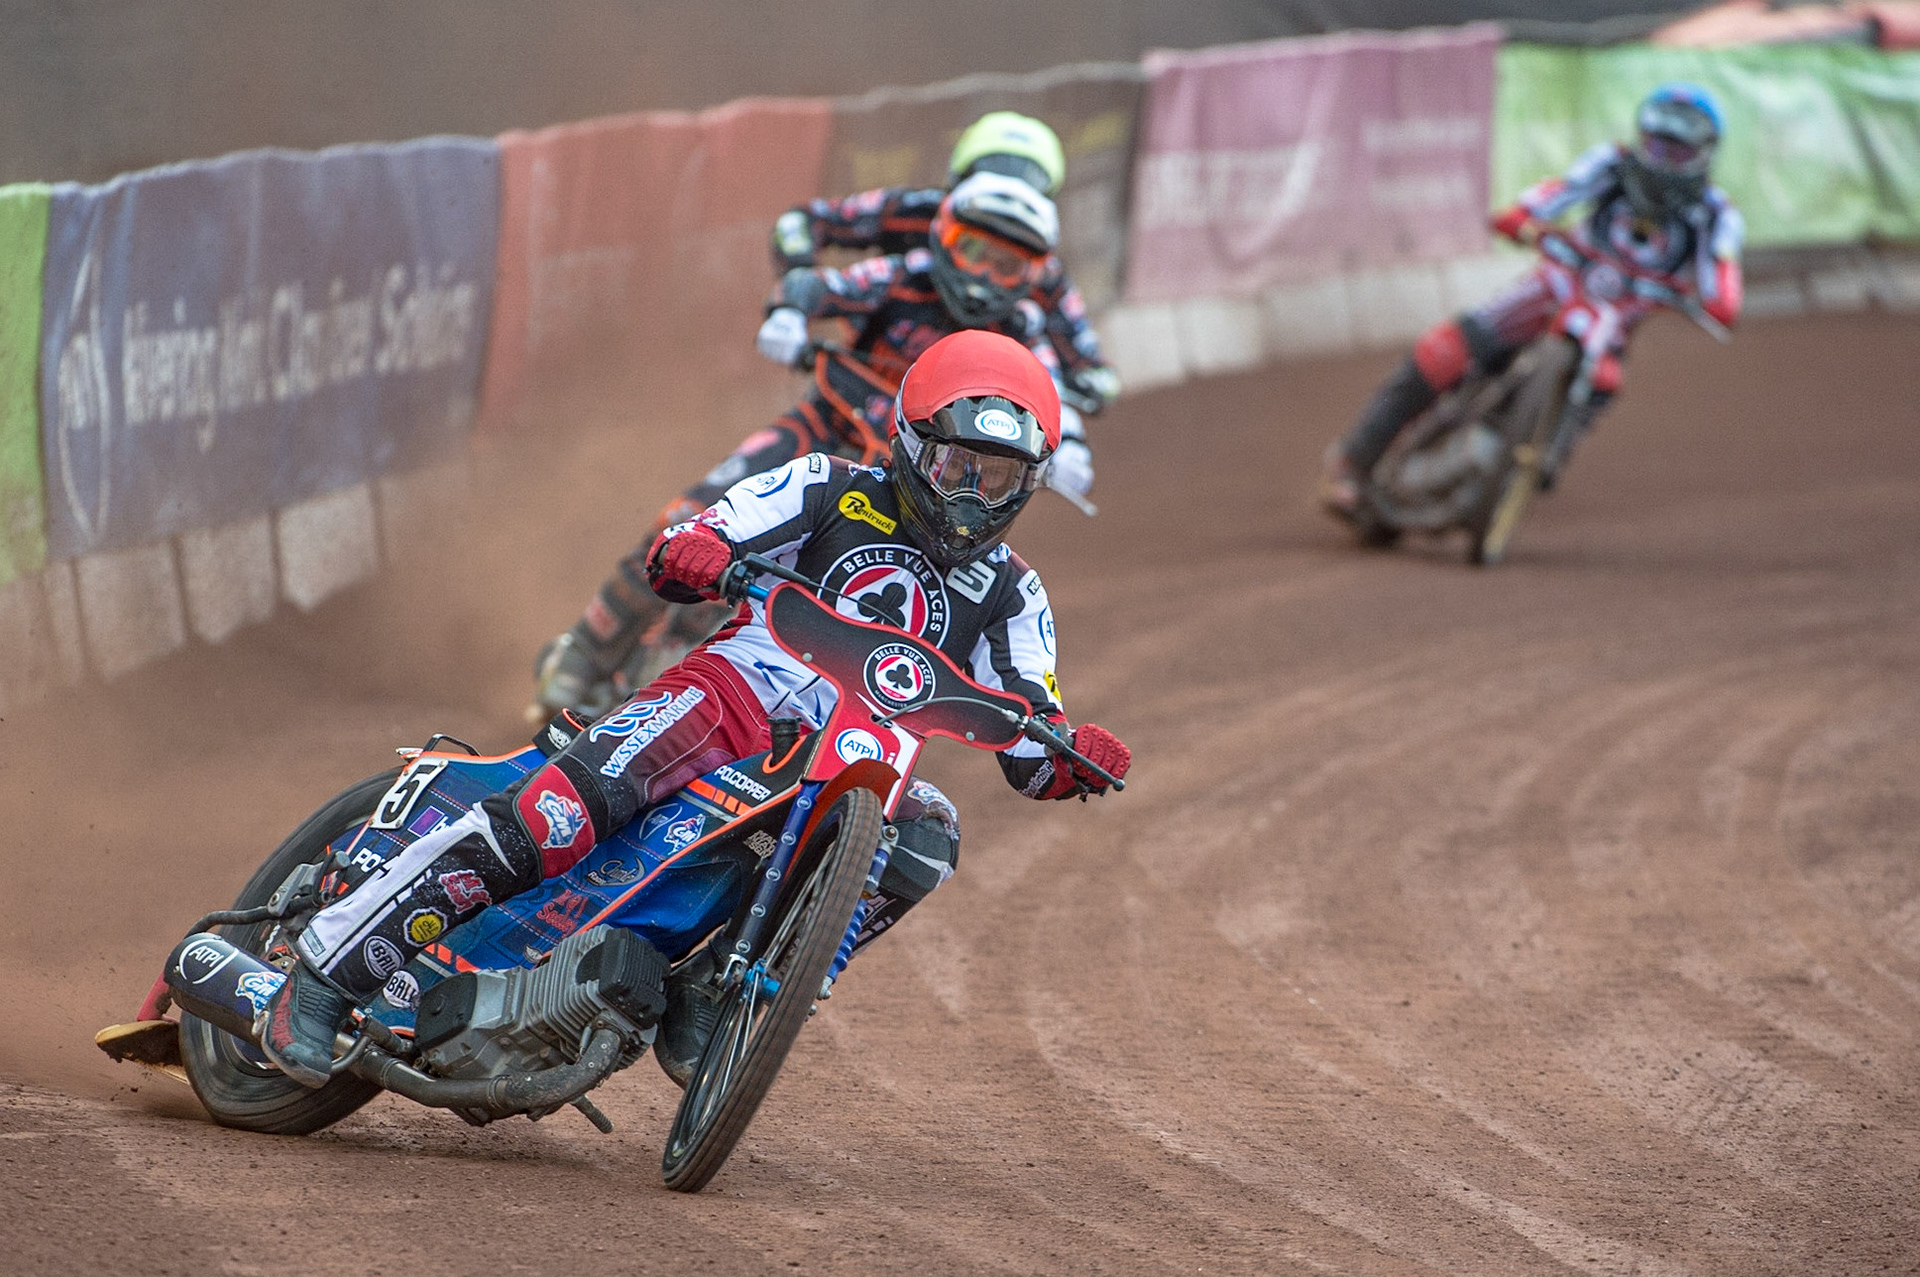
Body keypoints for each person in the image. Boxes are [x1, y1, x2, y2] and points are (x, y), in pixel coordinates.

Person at [261, 330, 1134, 1089]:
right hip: (729, 695)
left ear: (1033, 482)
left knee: (931, 833)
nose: (971, 494)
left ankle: (723, 982)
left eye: (1000, 476)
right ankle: (327, 971)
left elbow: (1028, 735)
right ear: (909, 442)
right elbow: (694, 540)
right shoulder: (829, 484)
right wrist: (704, 552)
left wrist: (1071, 756)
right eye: (956, 465)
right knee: (558, 815)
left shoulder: (1016, 594)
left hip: (852, 761)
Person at [530, 168, 1077, 718]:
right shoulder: (906, 275)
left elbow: (1052, 395)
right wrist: (791, 309)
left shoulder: (1022, 330)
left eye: (1008, 264)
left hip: (909, 481)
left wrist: (1070, 442)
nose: (985, 275)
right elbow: (828, 287)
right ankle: (582, 653)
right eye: (974, 249)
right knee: (689, 515)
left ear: (1035, 274)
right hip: (824, 428)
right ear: (943, 235)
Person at [1319, 82, 1744, 515]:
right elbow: (1558, 193)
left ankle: (1543, 451)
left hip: (1613, 322)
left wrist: (1720, 303)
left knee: (1604, 380)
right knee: (1443, 350)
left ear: (1705, 155)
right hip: (1557, 284)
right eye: (1656, 146)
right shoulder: (1613, 165)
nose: (1663, 163)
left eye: (1678, 152)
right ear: (1641, 139)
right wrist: (1523, 217)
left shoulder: (1716, 214)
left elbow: (1722, 272)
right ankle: (1354, 461)